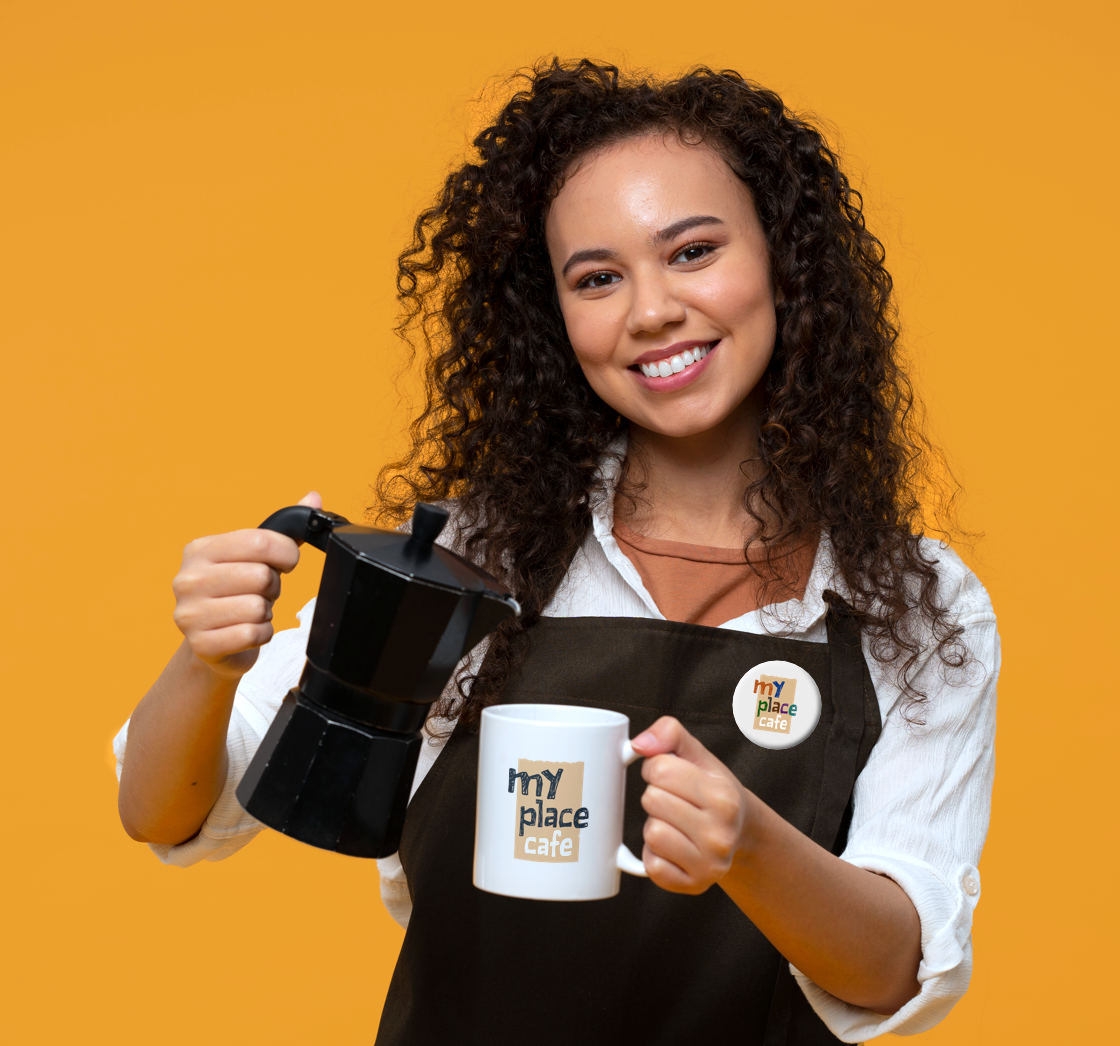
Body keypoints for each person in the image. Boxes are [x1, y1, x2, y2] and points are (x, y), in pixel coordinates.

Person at [115, 59, 999, 1045]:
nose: (651, 309)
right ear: (553, 317)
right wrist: (205, 660)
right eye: (597, 278)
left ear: (785, 262)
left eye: (693, 250)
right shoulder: (470, 558)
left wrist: (747, 842)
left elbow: (892, 971)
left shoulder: (912, 603)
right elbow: (164, 810)